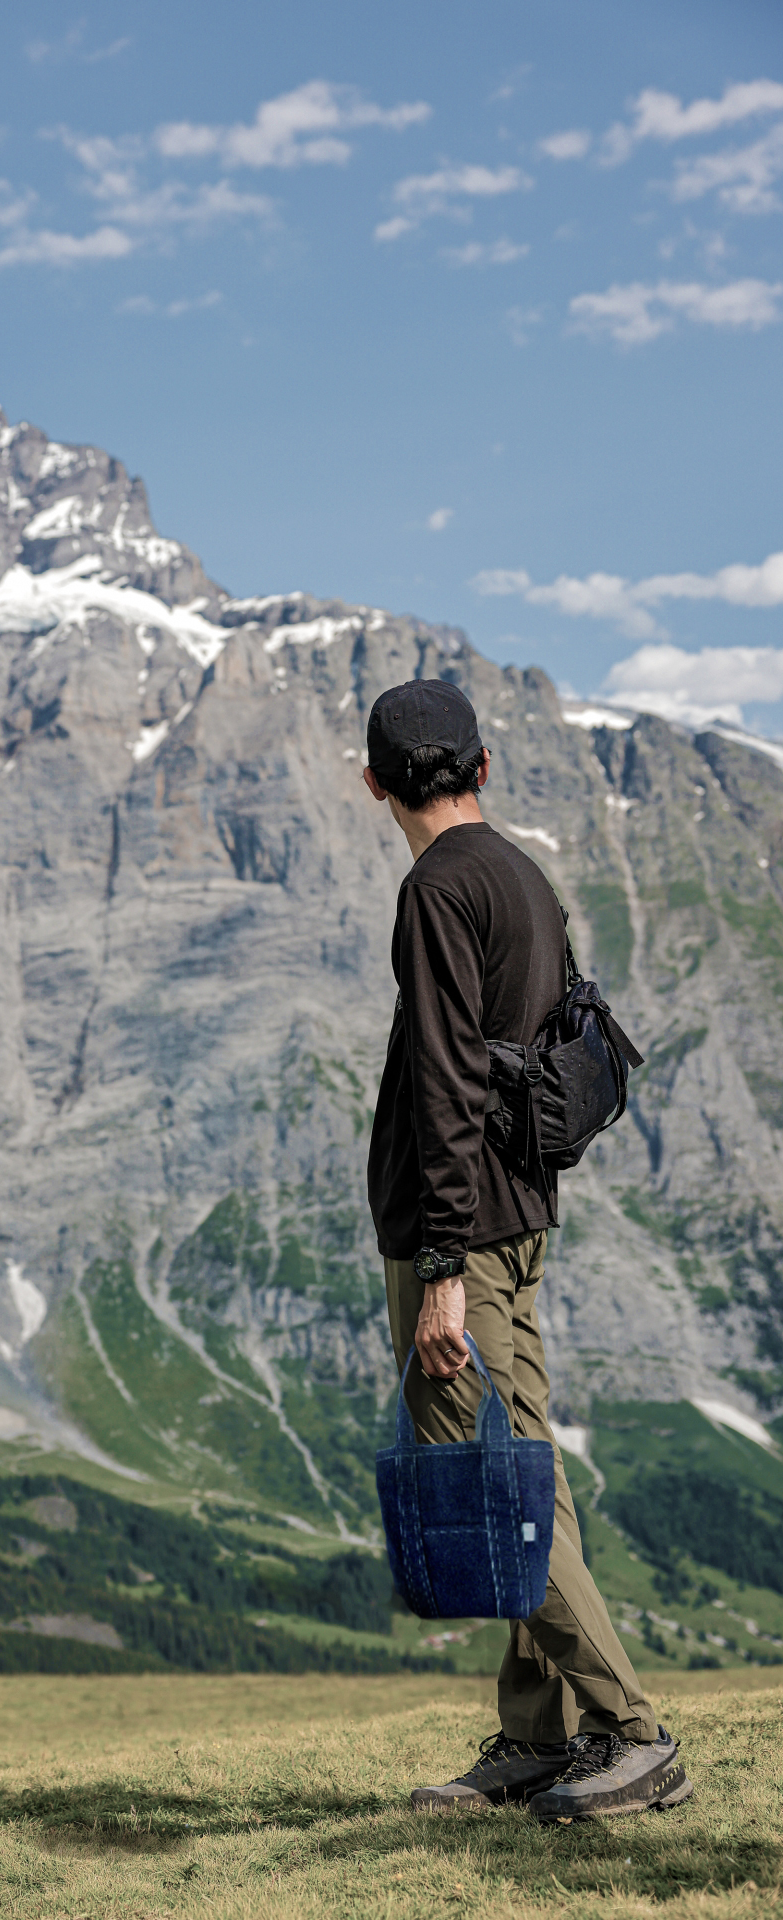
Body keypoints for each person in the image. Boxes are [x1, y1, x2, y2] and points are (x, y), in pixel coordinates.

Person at [362, 677, 690, 1821]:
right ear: (484, 767)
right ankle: (538, 1738)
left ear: (374, 785)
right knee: (524, 1475)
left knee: (497, 1485)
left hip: (465, 1238)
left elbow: (448, 1084)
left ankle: (632, 1734)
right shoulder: (522, 876)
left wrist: (441, 1270)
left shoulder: (435, 891)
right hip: (523, 1217)